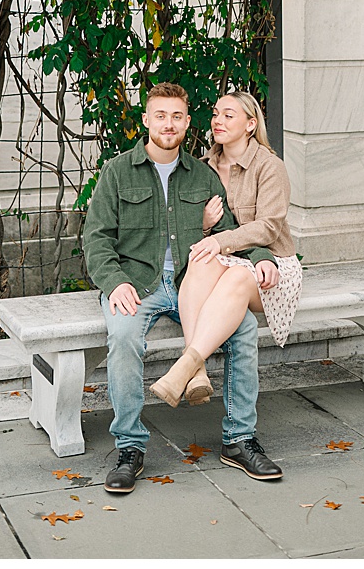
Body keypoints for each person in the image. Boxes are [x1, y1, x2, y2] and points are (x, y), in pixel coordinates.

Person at [81, 81, 283, 492]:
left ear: (188, 122)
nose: (168, 124)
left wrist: (262, 259)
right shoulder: (117, 172)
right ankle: (129, 448)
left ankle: (239, 439)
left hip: (195, 284)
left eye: (177, 116)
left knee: (243, 330)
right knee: (122, 336)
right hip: (138, 285)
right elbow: (96, 238)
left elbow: (232, 232)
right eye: (160, 115)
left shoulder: (202, 177)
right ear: (146, 120)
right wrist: (115, 282)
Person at [151, 91, 303, 429]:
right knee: (200, 260)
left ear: (251, 124)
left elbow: (268, 226)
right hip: (224, 260)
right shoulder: (201, 168)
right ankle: (196, 371)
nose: (218, 121)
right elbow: (185, 228)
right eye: (216, 114)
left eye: (228, 116)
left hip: (272, 265)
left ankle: (185, 365)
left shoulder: (268, 166)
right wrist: (204, 227)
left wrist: (219, 240)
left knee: (230, 274)